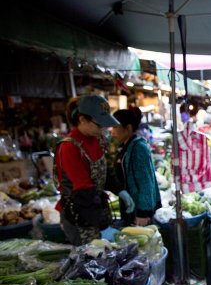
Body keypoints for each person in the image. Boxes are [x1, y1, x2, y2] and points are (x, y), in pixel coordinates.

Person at [54, 95, 120, 245]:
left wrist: (120, 190)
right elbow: (83, 192)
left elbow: (104, 172)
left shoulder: (97, 139)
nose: (103, 129)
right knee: (89, 262)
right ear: (82, 120)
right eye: (99, 125)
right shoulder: (70, 147)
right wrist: (102, 226)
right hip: (80, 215)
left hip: (95, 209)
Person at [109, 108, 162, 227]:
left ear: (128, 128)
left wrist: (143, 213)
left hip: (139, 211)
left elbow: (145, 181)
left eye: (115, 127)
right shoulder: (126, 146)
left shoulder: (138, 148)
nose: (112, 132)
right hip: (130, 207)